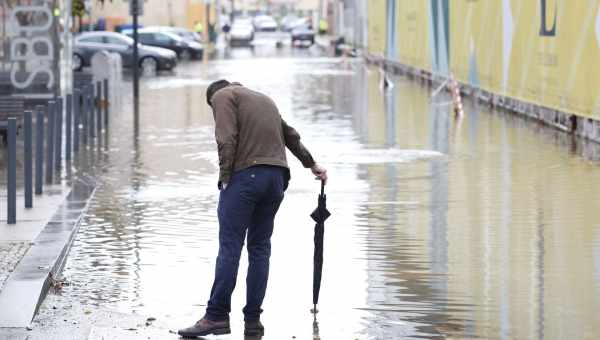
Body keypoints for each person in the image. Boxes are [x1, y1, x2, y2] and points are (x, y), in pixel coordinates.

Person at [178, 80, 328, 338]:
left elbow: (226, 138)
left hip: (247, 177)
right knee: (259, 248)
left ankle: (216, 316)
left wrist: (225, 178)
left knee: (230, 247)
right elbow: (290, 135)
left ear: (213, 97)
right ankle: (253, 321)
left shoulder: (222, 95)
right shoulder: (264, 99)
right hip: (276, 180)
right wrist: (312, 164)